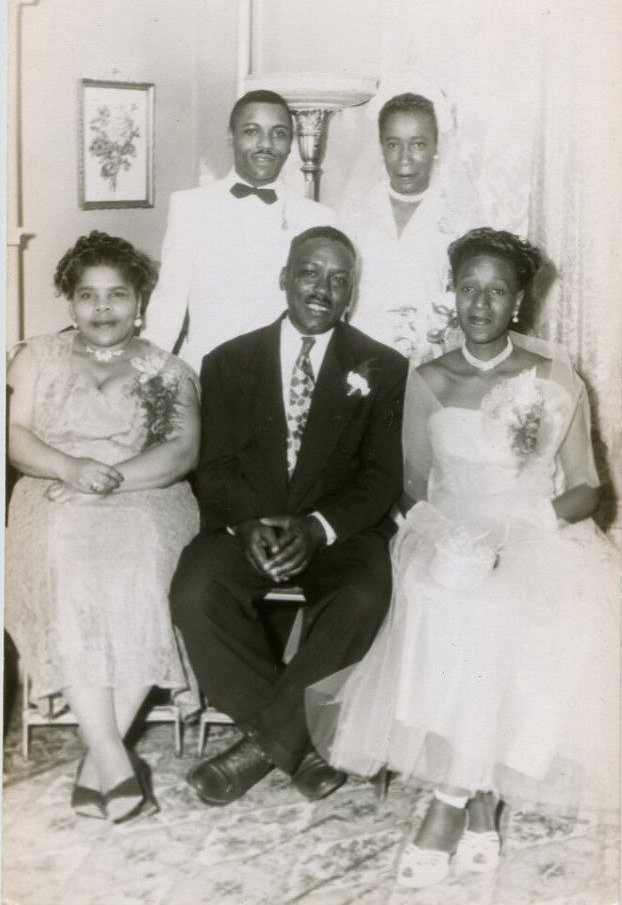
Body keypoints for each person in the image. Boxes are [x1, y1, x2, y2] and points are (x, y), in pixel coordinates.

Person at [306, 228, 619, 889]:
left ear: (518, 301)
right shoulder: (424, 379)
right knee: (449, 590)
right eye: (468, 286)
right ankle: (480, 802)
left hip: (539, 531)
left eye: (497, 289)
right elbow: (408, 485)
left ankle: (449, 803)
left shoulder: (554, 375)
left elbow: (589, 489)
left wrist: (532, 522)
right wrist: (437, 528)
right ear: (452, 292)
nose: (481, 301)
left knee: (512, 606)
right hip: (449, 532)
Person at [170, 225, 408, 806]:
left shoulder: (383, 366)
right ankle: (295, 744)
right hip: (247, 527)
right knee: (195, 590)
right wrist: (249, 523)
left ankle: (260, 749)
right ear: (284, 278)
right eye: (309, 272)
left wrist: (317, 527)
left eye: (338, 279)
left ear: (351, 292)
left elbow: (382, 478)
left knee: (365, 597)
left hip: (337, 533)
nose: (322, 288)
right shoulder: (227, 362)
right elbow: (216, 465)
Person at [5, 231, 201, 823]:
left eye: (118, 295)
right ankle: (115, 760)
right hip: (52, 487)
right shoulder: (34, 356)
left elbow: (182, 451)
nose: (103, 309)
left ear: (140, 301)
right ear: (69, 301)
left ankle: (101, 762)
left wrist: (109, 476)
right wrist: (71, 467)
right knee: (67, 553)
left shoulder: (164, 367)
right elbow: (13, 437)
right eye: (88, 296)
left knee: (142, 561)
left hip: (145, 493)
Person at [145, 89, 334, 371]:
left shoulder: (318, 218)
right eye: (251, 131)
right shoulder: (190, 207)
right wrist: (144, 382)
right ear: (231, 136)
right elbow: (167, 307)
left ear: (291, 143)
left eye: (279, 133)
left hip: (283, 379)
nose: (265, 145)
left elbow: (327, 313)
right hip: (205, 375)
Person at [340, 91, 484, 364]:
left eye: (418, 144)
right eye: (394, 145)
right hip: (359, 356)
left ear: (435, 147)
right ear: (381, 147)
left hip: (431, 358)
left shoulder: (458, 219)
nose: (405, 158)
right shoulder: (356, 213)